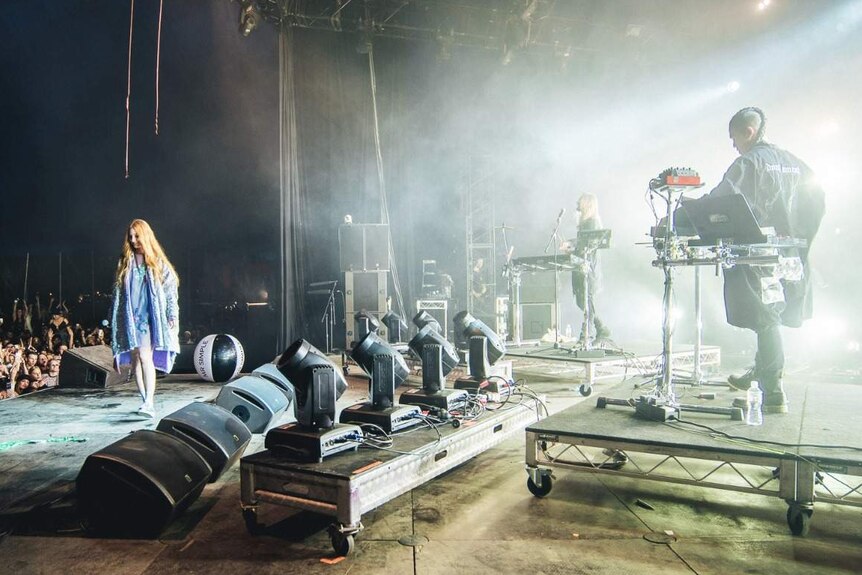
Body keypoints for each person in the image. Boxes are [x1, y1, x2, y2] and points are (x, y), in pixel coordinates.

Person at [698, 107, 825, 414]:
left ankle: (773, 388)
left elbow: (722, 200)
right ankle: (762, 371)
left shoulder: (750, 162)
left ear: (748, 132)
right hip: (790, 254)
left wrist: (688, 214)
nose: (734, 146)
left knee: (765, 317)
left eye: (734, 138)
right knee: (773, 313)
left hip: (760, 255)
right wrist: (801, 239)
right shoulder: (797, 164)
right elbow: (818, 203)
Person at [111, 219, 180, 418]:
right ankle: (144, 401)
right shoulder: (126, 262)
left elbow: (170, 291)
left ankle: (149, 401)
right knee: (135, 360)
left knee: (144, 356)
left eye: (137, 236)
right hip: (130, 318)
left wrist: (171, 314)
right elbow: (118, 294)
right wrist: (115, 320)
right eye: (130, 236)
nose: (133, 240)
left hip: (148, 318)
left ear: (145, 236)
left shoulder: (157, 263)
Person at [562, 193, 610, 344]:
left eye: (580, 202)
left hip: (588, 268)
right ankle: (602, 329)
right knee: (581, 302)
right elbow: (581, 243)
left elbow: (588, 246)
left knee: (586, 301)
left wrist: (571, 249)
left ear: (587, 205)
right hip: (582, 266)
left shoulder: (593, 223)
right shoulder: (584, 223)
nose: (577, 204)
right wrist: (571, 247)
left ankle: (585, 335)